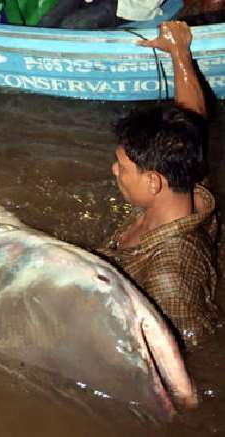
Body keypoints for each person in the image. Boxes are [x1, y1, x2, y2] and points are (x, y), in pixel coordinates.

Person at [97, 21, 220, 347]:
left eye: (122, 167)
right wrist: (179, 51)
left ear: (153, 182)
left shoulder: (170, 277)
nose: (114, 171)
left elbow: (184, 349)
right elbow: (194, 118)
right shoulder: (186, 179)